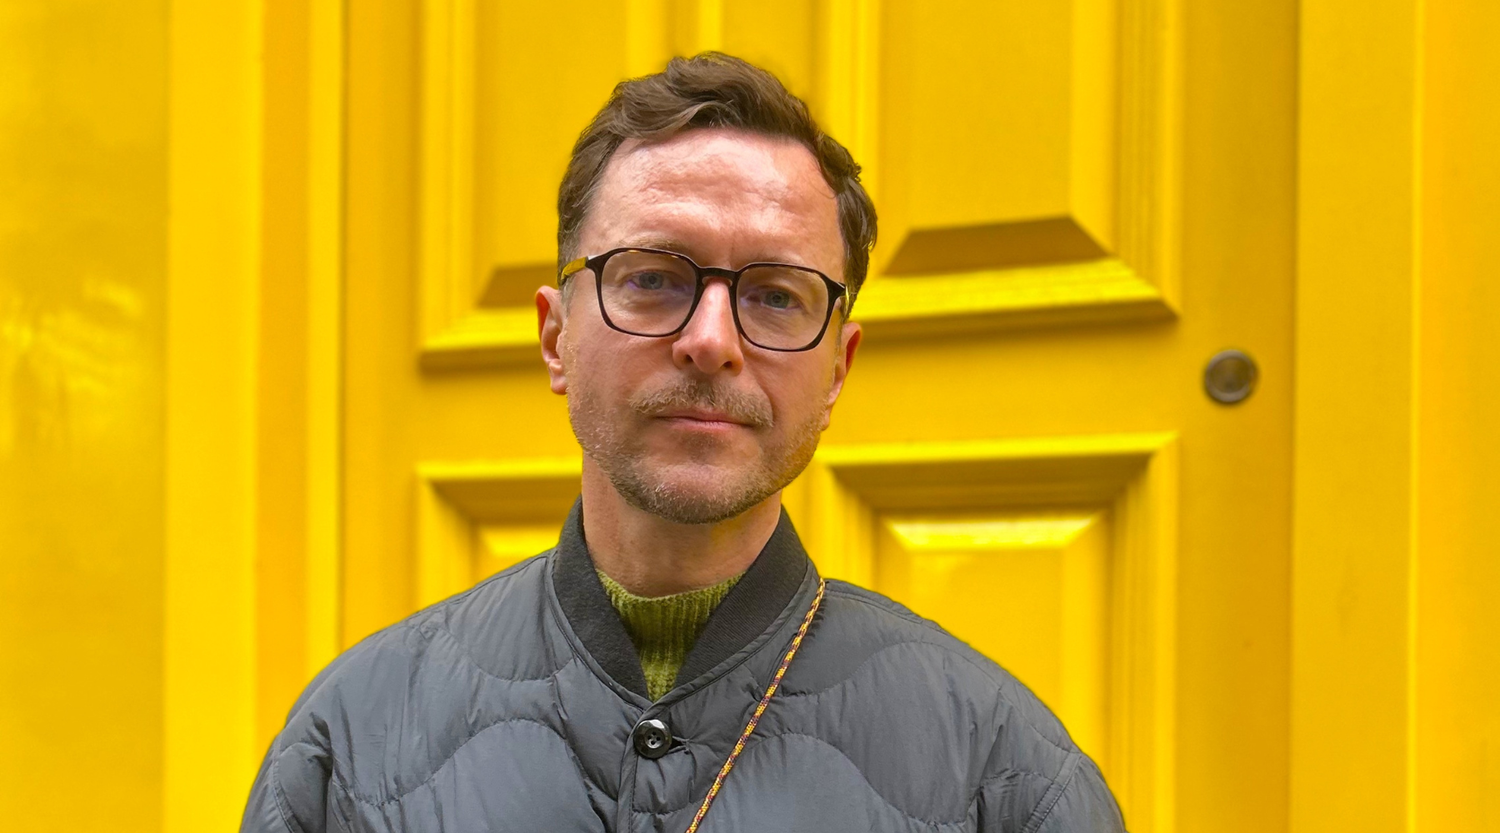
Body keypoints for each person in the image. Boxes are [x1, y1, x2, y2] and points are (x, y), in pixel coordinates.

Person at [241, 52, 1125, 833]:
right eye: (655, 278)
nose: (711, 339)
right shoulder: (346, 750)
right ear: (555, 337)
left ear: (838, 369)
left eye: (776, 295)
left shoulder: (1006, 776)